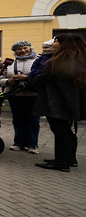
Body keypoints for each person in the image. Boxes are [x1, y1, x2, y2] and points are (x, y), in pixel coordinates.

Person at [30, 34, 86, 171]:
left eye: (56, 41)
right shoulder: (80, 60)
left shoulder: (59, 60)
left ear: (64, 44)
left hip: (56, 101)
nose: (54, 44)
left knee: (60, 131)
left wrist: (31, 79)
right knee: (67, 130)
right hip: (72, 100)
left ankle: (61, 162)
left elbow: (41, 78)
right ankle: (69, 158)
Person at [0, 40, 40, 153]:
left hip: (33, 95)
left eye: (25, 48)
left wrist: (25, 78)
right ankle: (18, 142)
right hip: (16, 95)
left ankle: (32, 144)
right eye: (19, 49)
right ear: (15, 51)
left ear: (30, 48)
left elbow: (41, 77)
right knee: (18, 120)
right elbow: (0, 80)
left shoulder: (38, 60)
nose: (23, 51)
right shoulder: (11, 63)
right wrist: (9, 81)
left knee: (32, 120)